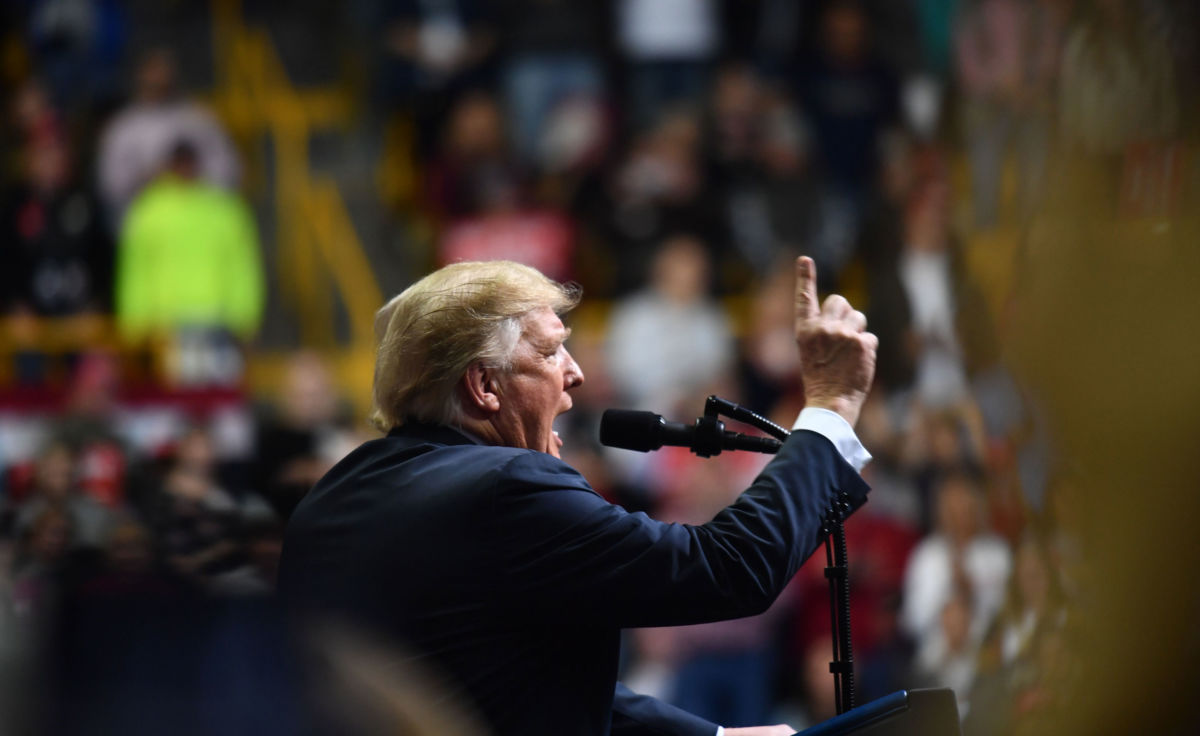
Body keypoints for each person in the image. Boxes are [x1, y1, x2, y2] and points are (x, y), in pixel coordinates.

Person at [279, 256, 878, 735]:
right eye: (548, 351)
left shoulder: (328, 502)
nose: (576, 372)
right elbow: (727, 567)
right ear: (484, 385)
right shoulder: (508, 488)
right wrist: (828, 407)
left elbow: (509, 683)